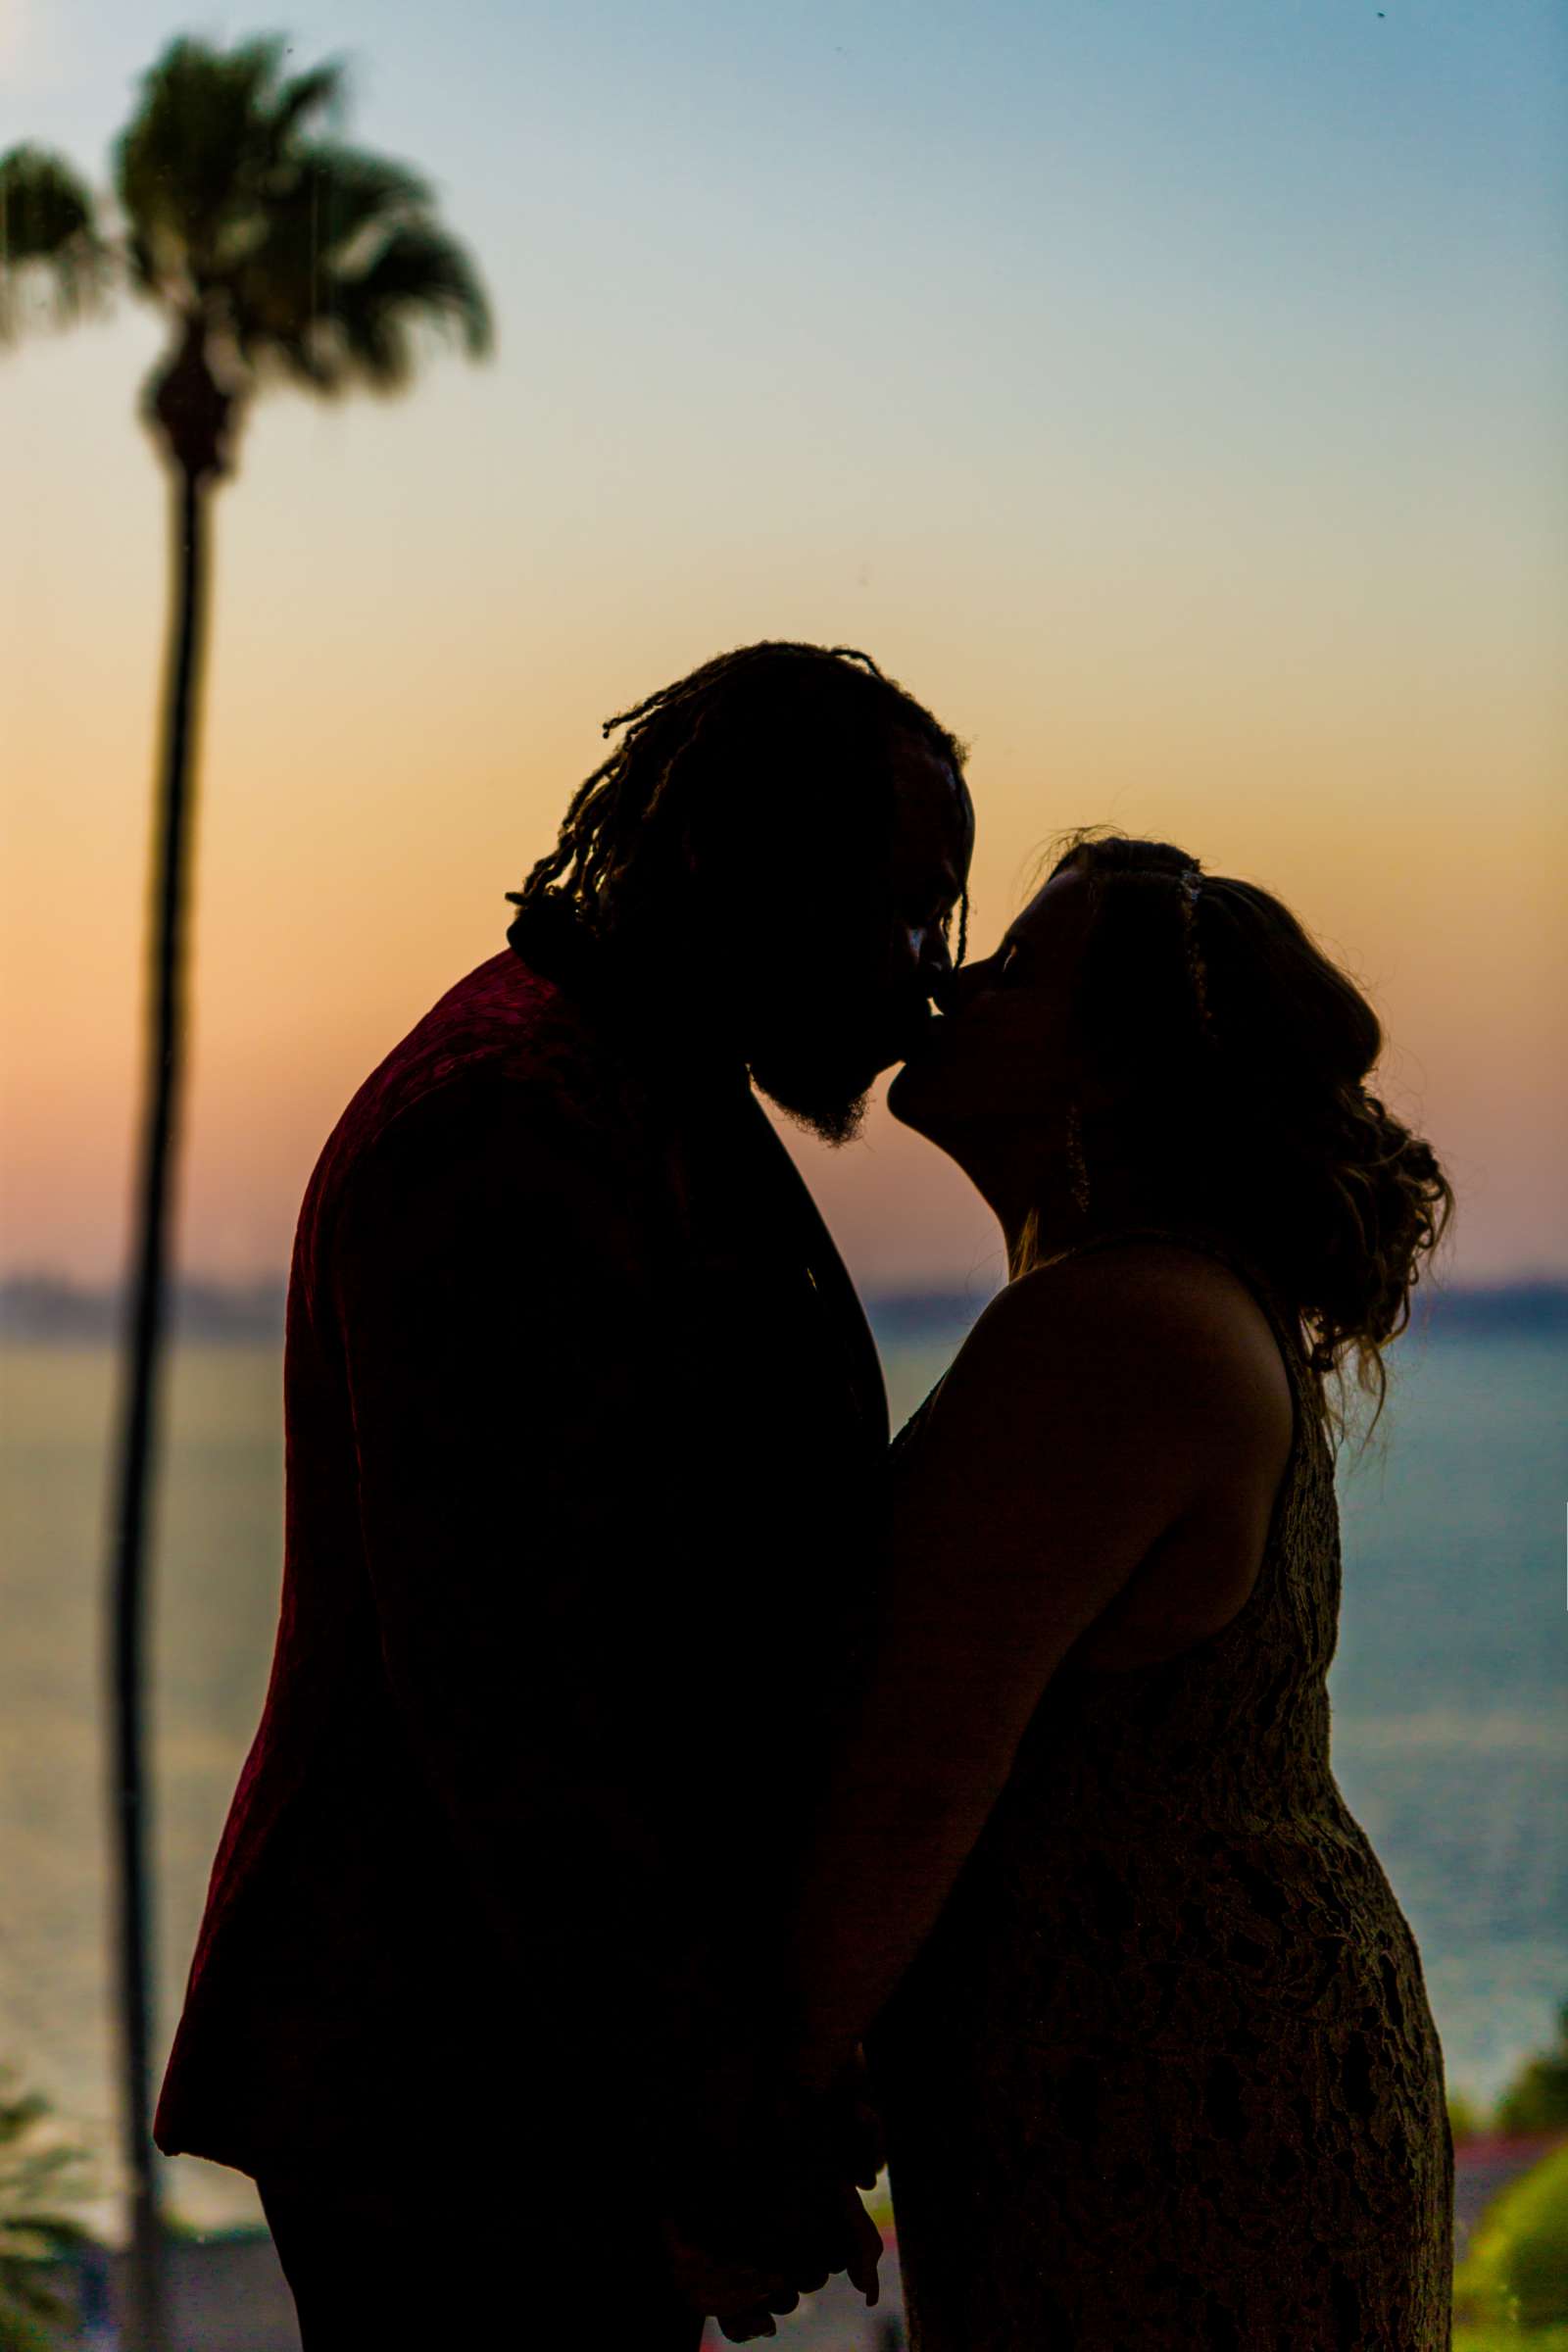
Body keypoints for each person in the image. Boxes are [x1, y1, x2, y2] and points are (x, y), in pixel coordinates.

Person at [152, 640, 974, 2346]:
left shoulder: (623, 1088)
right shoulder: (515, 1123)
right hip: (452, 2090)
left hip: (502, 2077)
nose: (929, 984)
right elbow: (525, 1708)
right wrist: (711, 2130)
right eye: (905, 913)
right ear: (728, 864)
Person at [708, 830, 1457, 2347]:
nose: (957, 984)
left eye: (1020, 970)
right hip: (1180, 2064)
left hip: (1173, 2103)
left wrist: (743, 2131)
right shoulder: (1162, 1304)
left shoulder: (1113, 1332)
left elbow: (911, 1784)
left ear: (1110, 1074)